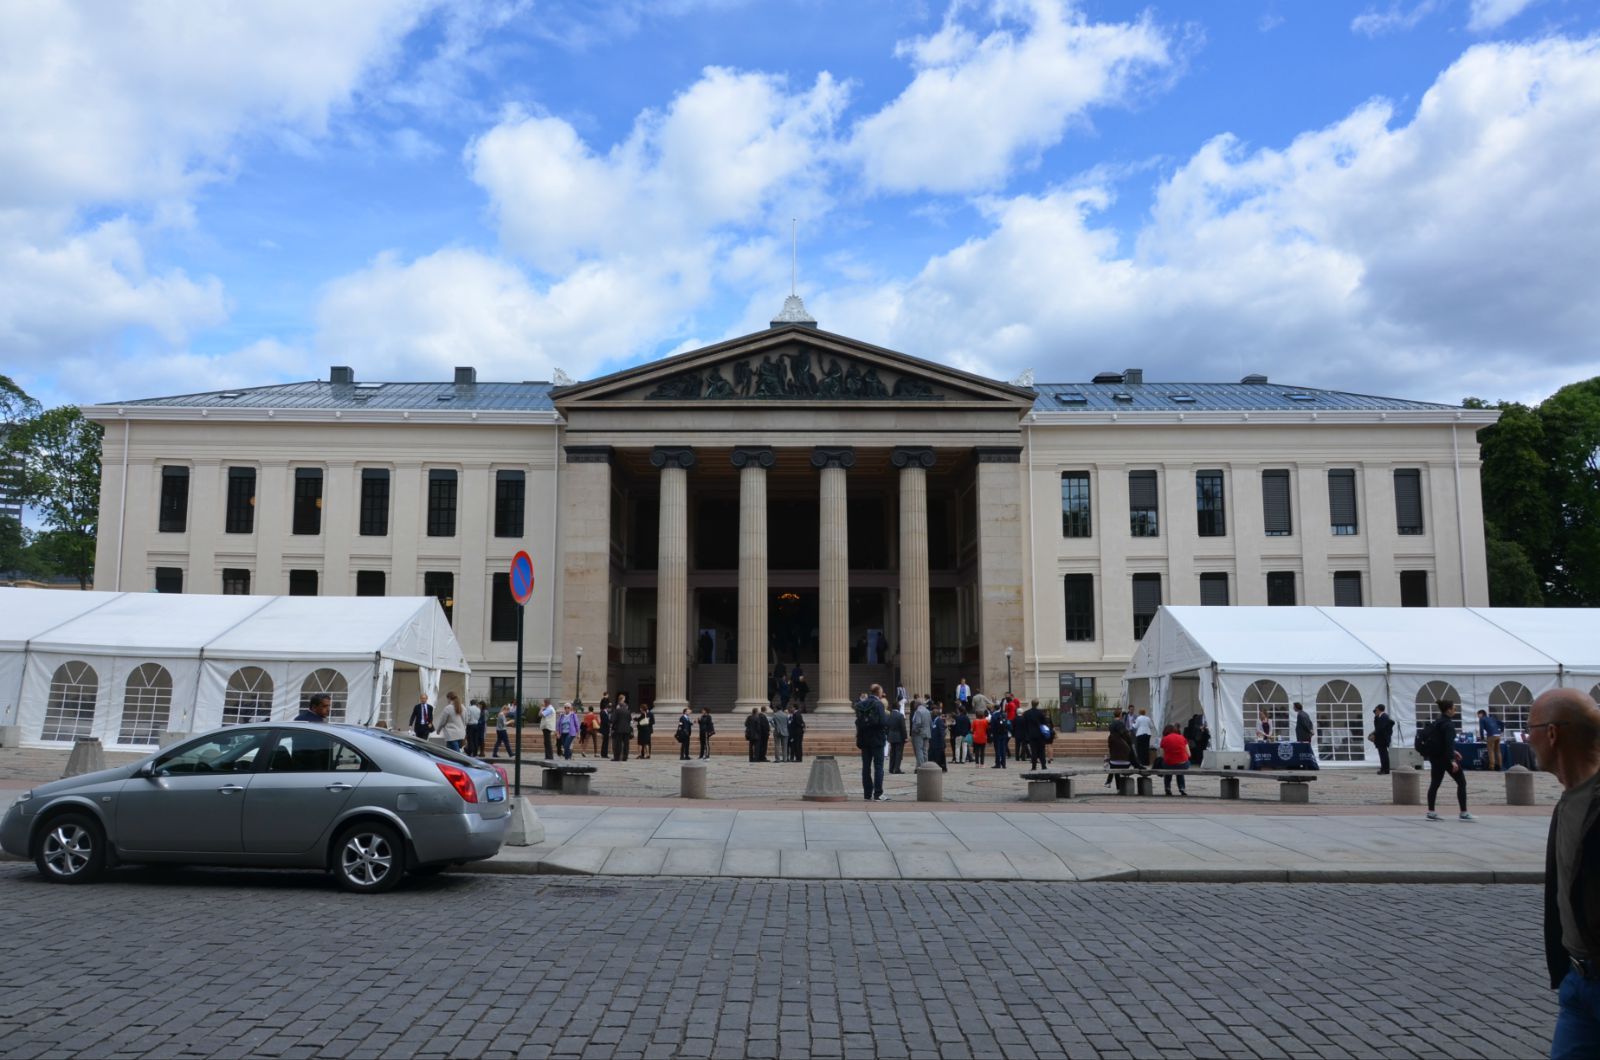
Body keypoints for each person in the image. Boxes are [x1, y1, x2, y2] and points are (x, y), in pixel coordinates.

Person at [1528, 687, 1600, 1057]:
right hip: (1578, 982)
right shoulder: (1568, 800)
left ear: (1553, 734)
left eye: (1531, 729)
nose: (1528, 739)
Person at [1421, 700, 1471, 821]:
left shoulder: (1438, 722)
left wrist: (1453, 751)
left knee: (1435, 784)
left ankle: (1431, 811)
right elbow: (1448, 743)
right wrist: (1452, 759)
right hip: (1445, 758)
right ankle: (1463, 812)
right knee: (1461, 782)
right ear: (1448, 710)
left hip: (1435, 757)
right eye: (1454, 708)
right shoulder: (1448, 724)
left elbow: (1440, 742)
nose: (1455, 710)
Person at [855, 685, 890, 801]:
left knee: (866, 767)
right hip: (877, 739)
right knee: (878, 766)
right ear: (878, 692)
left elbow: (858, 722)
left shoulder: (860, 705)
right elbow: (883, 722)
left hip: (864, 739)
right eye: (882, 691)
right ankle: (878, 793)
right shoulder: (878, 704)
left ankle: (867, 794)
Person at [1159, 722, 1190, 796]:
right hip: (1182, 764)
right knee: (1180, 768)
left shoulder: (1164, 739)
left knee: (1168, 768)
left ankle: (1167, 788)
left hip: (1169, 764)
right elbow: (1189, 754)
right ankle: (1182, 788)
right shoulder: (1182, 737)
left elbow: (1161, 755)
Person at [1021, 699, 1049, 771]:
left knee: (1034, 751)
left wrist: (1026, 734)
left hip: (1031, 735)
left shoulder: (1027, 713)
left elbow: (1024, 725)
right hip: (1040, 735)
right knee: (1041, 751)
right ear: (1037, 704)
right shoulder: (1040, 713)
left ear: (1031, 704)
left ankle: (1034, 766)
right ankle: (1043, 765)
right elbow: (1044, 723)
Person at [1371, 704, 1395, 775]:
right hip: (1381, 739)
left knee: (1383, 754)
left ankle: (1385, 769)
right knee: (1382, 754)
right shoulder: (1379, 716)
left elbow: (1381, 728)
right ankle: (1383, 768)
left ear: (1378, 709)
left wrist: (1374, 734)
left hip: (1383, 739)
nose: (1375, 711)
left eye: (1376, 710)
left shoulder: (1384, 717)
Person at [887, 701, 908, 774]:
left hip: (891, 736)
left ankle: (891, 768)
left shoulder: (889, 715)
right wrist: (905, 737)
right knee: (898, 753)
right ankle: (897, 769)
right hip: (899, 737)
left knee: (892, 753)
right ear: (898, 707)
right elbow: (903, 727)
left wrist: (888, 735)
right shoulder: (900, 715)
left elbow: (887, 727)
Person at [911, 697, 932, 768]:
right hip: (927, 733)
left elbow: (918, 723)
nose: (914, 705)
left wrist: (915, 730)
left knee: (919, 750)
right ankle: (926, 766)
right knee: (925, 750)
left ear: (917, 704)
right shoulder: (928, 711)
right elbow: (930, 723)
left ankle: (920, 766)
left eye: (915, 703)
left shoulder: (918, 711)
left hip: (919, 734)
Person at [988, 704, 1010, 769]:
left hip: (997, 735)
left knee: (997, 749)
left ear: (994, 708)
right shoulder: (1003, 714)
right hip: (1004, 734)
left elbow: (992, 726)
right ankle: (1004, 764)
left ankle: (998, 764)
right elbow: (1008, 724)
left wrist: (991, 734)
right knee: (1003, 749)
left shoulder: (994, 716)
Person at [930, 708, 948, 772]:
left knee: (940, 756)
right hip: (933, 742)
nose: (932, 714)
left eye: (933, 713)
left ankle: (942, 768)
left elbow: (942, 732)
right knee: (934, 755)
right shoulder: (933, 720)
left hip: (939, 742)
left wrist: (942, 742)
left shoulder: (939, 720)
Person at [598, 694, 612, 759]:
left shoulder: (605, 712)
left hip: (606, 729)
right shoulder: (603, 712)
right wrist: (610, 724)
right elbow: (605, 721)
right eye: (609, 707)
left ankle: (604, 753)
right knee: (605, 742)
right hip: (605, 729)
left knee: (605, 742)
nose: (609, 709)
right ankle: (604, 754)